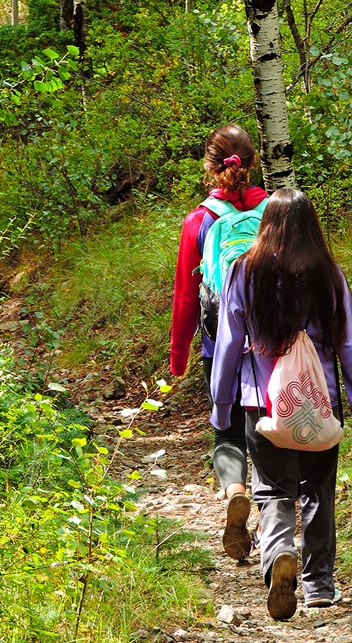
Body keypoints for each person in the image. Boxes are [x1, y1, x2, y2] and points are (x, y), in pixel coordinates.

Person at [211, 188, 352, 621]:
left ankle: (278, 559)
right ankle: (319, 585)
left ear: (266, 225)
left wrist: (221, 406)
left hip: (264, 404)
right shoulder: (330, 275)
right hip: (320, 403)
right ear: (313, 228)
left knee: (273, 490)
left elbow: (229, 345)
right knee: (318, 491)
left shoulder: (243, 272)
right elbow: (348, 345)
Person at [170, 124, 268, 560]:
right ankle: (271, 520)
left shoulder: (200, 220)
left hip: (219, 343)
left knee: (226, 432)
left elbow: (186, 295)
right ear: (255, 162)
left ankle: (234, 490)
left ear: (210, 169)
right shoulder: (277, 212)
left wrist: (179, 355)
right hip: (274, 344)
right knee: (268, 431)